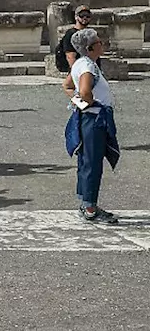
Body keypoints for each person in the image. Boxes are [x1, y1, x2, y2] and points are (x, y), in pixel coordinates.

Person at [63, 28, 119, 224]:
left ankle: (86, 202)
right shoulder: (88, 67)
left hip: (88, 117)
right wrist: (88, 103)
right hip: (94, 120)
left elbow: (68, 85)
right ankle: (90, 208)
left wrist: (78, 103)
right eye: (99, 42)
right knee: (92, 163)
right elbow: (85, 91)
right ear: (91, 47)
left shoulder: (81, 63)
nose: (101, 43)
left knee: (86, 161)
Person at [57, 5, 94, 73]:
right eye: (82, 15)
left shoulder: (90, 34)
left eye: (87, 15)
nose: (85, 18)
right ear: (76, 17)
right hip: (80, 71)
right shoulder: (70, 34)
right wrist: (77, 73)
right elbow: (70, 57)